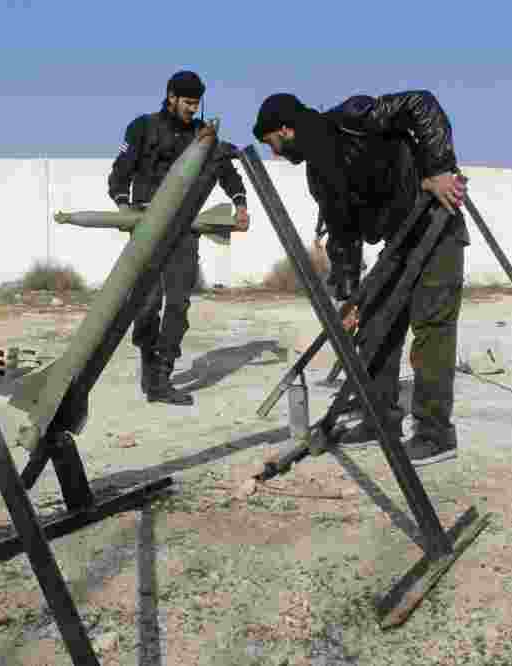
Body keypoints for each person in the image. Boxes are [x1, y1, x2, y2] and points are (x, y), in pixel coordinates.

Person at [252, 90, 469, 465]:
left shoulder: (352, 120)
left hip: (435, 226)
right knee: (374, 322)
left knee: (431, 327)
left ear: (285, 129)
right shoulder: (319, 173)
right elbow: (343, 233)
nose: (274, 153)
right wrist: (350, 295)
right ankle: (378, 419)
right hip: (398, 240)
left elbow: (421, 102)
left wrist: (437, 168)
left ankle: (436, 435)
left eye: (272, 142)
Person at [108, 70, 250, 406]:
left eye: (196, 102)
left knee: (178, 303)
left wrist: (240, 203)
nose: (192, 108)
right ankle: (147, 356)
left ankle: (162, 375)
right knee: (146, 303)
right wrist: (123, 205)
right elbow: (120, 173)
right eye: (187, 102)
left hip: (184, 229)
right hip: (146, 226)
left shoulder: (204, 136)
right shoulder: (142, 128)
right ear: (171, 97)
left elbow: (226, 172)